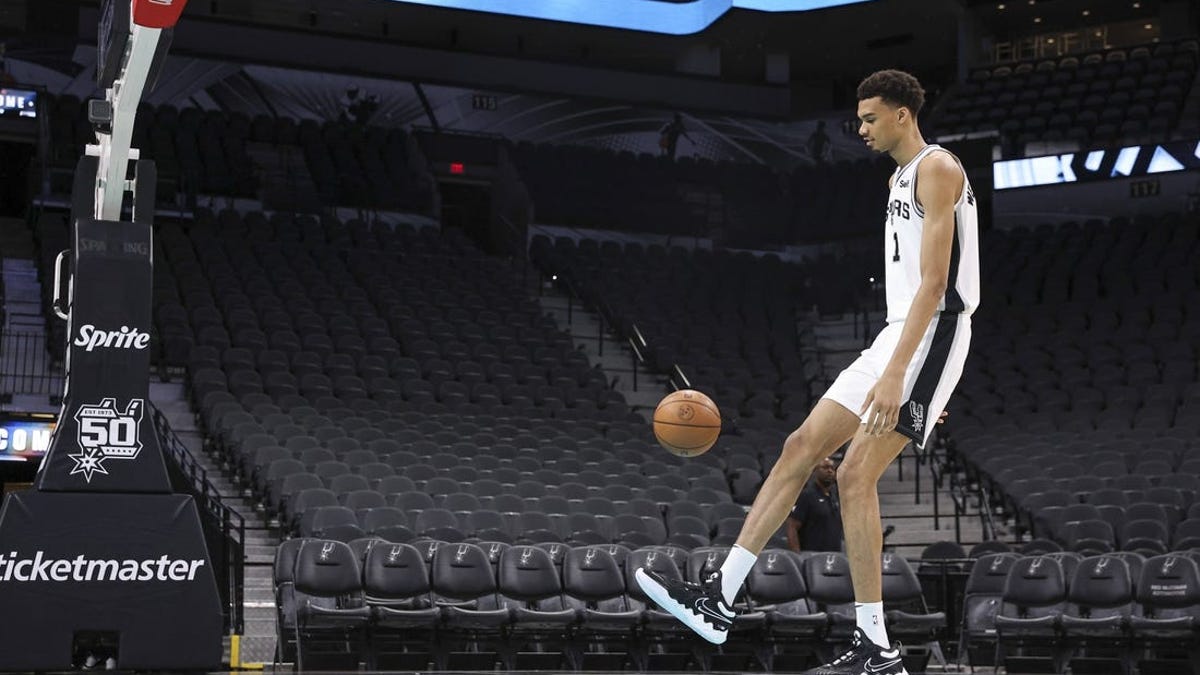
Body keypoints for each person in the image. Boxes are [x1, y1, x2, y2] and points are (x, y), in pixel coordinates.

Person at [634, 69, 979, 675]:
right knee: (799, 447)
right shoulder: (900, 176)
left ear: (903, 113)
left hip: (932, 333)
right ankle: (718, 598)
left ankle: (877, 647)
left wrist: (903, 375)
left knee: (852, 478)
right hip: (899, 335)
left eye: (871, 117)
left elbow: (935, 284)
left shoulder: (937, 166)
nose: (861, 128)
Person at [787, 456, 842, 552]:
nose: (830, 471)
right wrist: (797, 555)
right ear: (814, 471)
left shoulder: (835, 497)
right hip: (811, 556)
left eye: (832, 468)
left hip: (833, 556)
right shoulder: (806, 495)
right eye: (825, 467)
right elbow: (792, 526)